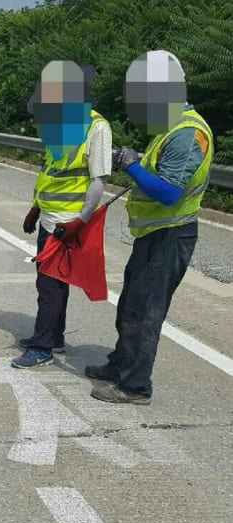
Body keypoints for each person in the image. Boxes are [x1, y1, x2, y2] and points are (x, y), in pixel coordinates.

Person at [87, 51, 214, 404]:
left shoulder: (188, 132)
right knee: (130, 303)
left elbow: (169, 191)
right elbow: (161, 172)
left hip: (171, 234)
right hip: (152, 235)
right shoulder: (171, 127)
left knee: (145, 312)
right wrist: (140, 161)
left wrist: (131, 166)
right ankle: (120, 364)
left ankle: (135, 386)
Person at [13, 61, 112, 369]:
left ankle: (42, 347)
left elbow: (99, 180)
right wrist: (35, 207)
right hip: (49, 216)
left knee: (50, 285)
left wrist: (81, 220)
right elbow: (50, 173)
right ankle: (53, 336)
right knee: (53, 281)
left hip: (67, 221)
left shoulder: (97, 127)